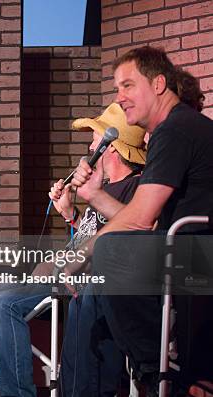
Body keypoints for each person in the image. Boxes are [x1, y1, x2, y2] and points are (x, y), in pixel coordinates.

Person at [0, 103, 146, 397]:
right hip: (56, 275)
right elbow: (87, 234)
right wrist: (71, 214)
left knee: (3, 304)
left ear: (111, 147)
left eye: (95, 139)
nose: (90, 145)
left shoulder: (134, 188)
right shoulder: (102, 187)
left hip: (83, 284)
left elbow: (127, 232)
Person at [69, 46, 213, 388]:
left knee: (112, 252)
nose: (120, 97)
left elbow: (140, 218)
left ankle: (160, 369)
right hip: (186, 252)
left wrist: (80, 255)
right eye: (118, 88)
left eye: (128, 86)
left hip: (196, 257)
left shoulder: (176, 129)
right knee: (100, 281)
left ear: (159, 83)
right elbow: (140, 215)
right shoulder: (179, 128)